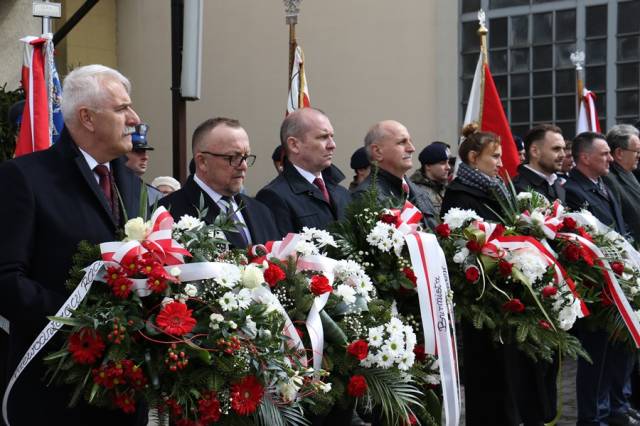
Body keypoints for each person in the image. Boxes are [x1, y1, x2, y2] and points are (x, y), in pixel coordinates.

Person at [0, 64, 145, 425]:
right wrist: (85, 323)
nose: (135, 118)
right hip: (55, 393)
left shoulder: (128, 180)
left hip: (124, 393)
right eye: (122, 108)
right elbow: (6, 281)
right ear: (88, 118)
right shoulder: (26, 177)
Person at [442, 123, 541, 426]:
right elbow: (462, 243)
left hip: (504, 294)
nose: (501, 163)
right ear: (473, 157)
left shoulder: (495, 189)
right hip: (481, 299)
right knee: (486, 374)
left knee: (506, 375)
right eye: (494, 157)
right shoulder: (461, 194)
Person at [565, 131, 637, 426]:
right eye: (605, 153)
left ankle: (612, 409)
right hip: (597, 284)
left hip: (618, 280)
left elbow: (619, 229)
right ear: (585, 158)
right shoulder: (573, 190)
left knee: (616, 351)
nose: (610, 158)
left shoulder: (603, 184)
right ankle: (592, 416)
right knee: (595, 356)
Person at [159, 117, 279, 248]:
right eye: (233, 157)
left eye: (245, 157)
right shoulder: (167, 214)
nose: (243, 165)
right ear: (202, 162)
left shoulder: (261, 211)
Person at [256, 108, 351, 235]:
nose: (332, 144)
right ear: (294, 145)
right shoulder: (274, 196)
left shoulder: (342, 193)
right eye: (323, 137)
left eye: (331, 136)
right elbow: (282, 252)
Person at [352, 120, 438, 230]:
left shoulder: (419, 193)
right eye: (402, 142)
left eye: (410, 141)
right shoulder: (365, 197)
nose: (411, 148)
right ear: (378, 151)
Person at [603, 124, 640, 242]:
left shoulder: (628, 173)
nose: (639, 156)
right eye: (637, 151)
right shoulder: (609, 179)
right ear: (619, 153)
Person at [513, 124, 566, 203]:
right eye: (556, 149)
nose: (563, 155)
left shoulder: (558, 185)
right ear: (535, 151)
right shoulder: (518, 189)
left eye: (563, 149)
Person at [125, 123, 163, 205]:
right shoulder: (109, 190)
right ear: (122, 153)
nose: (145, 157)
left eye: (145, 152)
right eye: (138, 151)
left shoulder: (155, 195)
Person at [410, 141, 452, 215]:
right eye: (442, 163)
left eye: (448, 162)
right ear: (428, 166)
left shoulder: (448, 187)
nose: (448, 167)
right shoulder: (415, 191)